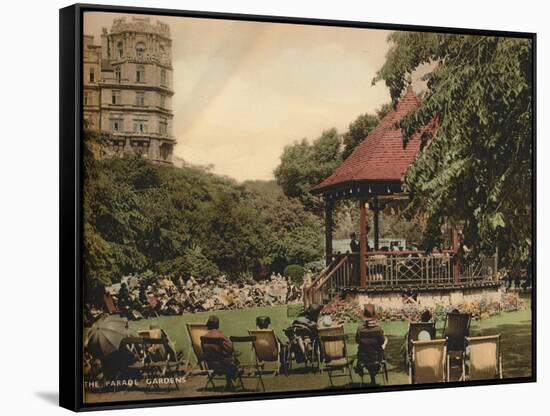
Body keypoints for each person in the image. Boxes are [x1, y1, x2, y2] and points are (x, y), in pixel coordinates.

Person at [202, 316, 240, 389]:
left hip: (211, 364)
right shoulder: (220, 335)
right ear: (217, 325)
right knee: (233, 362)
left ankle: (230, 382)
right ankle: (232, 379)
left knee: (228, 360)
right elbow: (230, 349)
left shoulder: (203, 337)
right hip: (223, 364)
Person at [355, 304, 387, 385]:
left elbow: (357, 341)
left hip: (364, 358)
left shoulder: (360, 329)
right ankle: (373, 374)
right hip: (377, 357)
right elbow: (382, 342)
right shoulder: (378, 329)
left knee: (364, 349)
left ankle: (366, 372)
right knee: (385, 341)